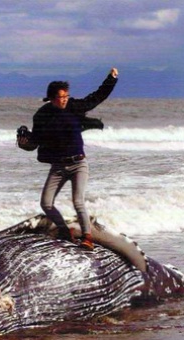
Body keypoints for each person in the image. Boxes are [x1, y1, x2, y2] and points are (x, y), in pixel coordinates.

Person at [21, 67, 119, 250]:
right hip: (58, 166)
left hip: (79, 164)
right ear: (51, 98)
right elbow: (35, 142)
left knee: (78, 201)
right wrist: (24, 143)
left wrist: (111, 79)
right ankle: (65, 231)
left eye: (66, 96)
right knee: (46, 203)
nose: (65, 99)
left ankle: (87, 237)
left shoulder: (74, 107)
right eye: (61, 97)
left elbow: (97, 97)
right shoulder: (42, 116)